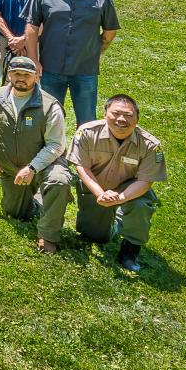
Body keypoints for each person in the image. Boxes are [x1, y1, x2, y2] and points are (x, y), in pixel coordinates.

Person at [0, 56, 72, 254]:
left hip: (46, 164)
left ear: (36, 77)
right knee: (16, 213)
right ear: (9, 74)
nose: (21, 78)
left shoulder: (50, 106)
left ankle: (48, 236)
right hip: (12, 168)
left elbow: (56, 145)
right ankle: (36, 198)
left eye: (27, 75)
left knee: (59, 181)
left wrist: (32, 168)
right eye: (16, 74)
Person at [69, 95, 166, 272]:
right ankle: (114, 223)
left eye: (128, 115)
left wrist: (120, 198)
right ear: (105, 114)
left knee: (140, 205)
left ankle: (130, 250)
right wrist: (100, 194)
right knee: (96, 236)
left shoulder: (151, 145)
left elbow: (145, 181)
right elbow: (82, 167)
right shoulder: (87, 133)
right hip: (96, 187)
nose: (122, 119)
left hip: (129, 189)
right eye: (116, 113)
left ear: (137, 118)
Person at [24, 0, 119, 127]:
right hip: (50, 68)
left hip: (85, 70)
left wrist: (97, 49)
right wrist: (33, 60)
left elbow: (110, 30)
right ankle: (51, 153)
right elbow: (31, 28)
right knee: (47, 117)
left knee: (87, 120)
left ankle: (82, 153)